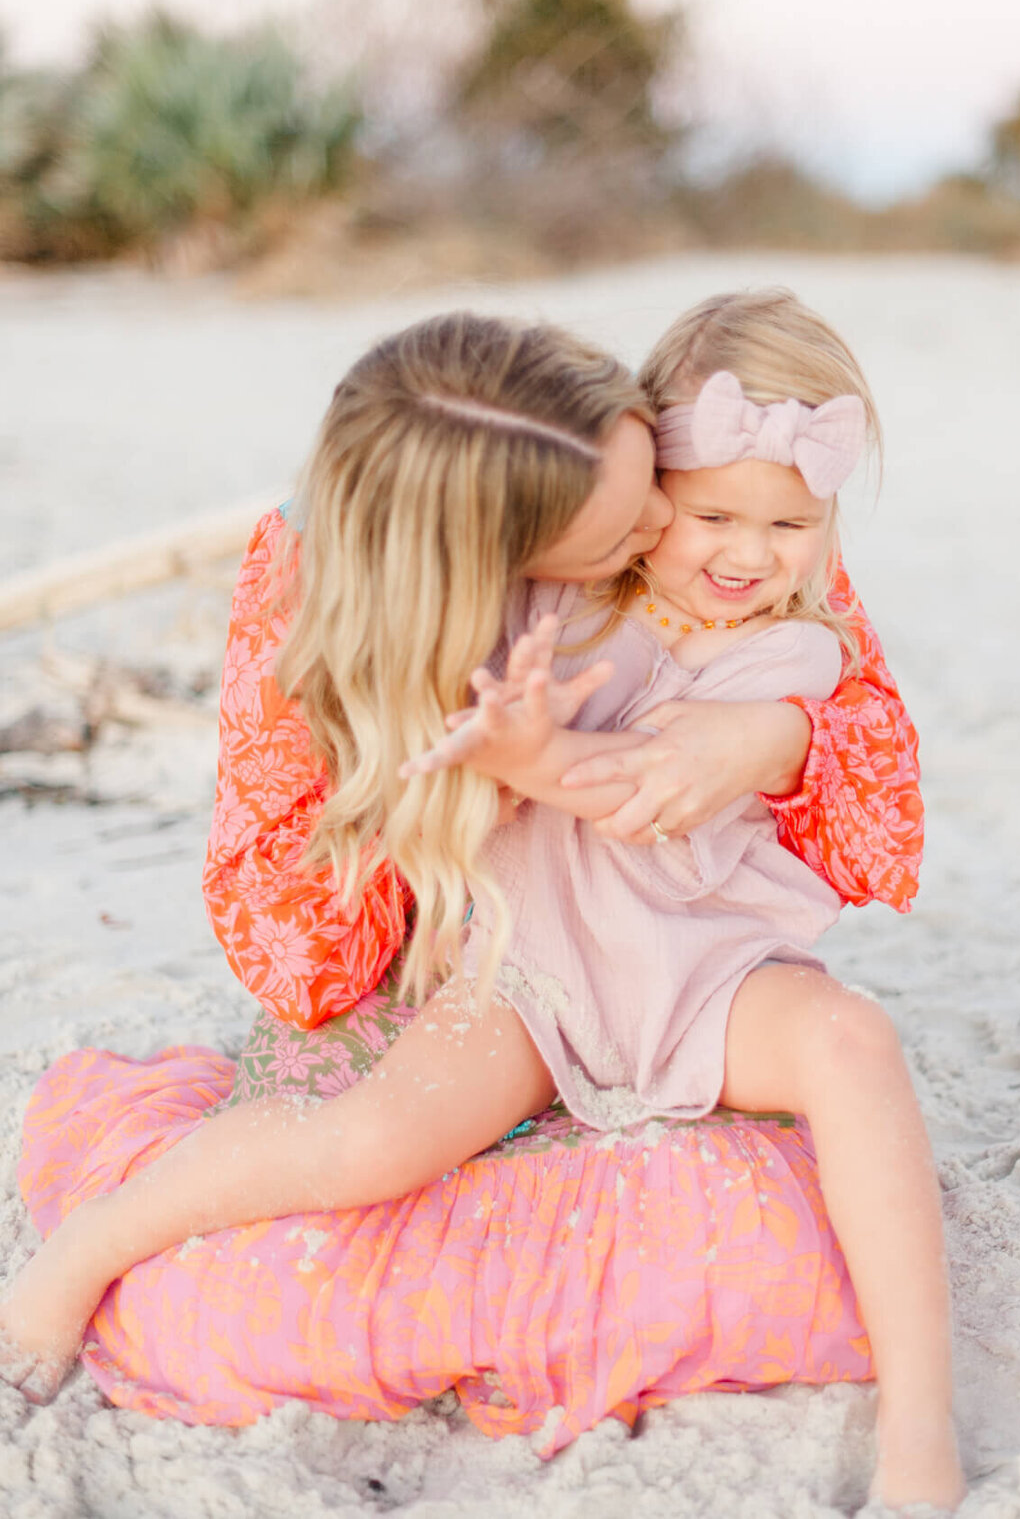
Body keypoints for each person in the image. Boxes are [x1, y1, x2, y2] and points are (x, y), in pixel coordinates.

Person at [1, 296, 960, 1512]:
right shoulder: (550, 598)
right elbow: (430, 748)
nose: (724, 542)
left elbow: (635, 788)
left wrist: (645, 749)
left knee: (852, 1041)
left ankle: (921, 1420)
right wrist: (500, 751)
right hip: (534, 968)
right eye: (696, 509)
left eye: (788, 523)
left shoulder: (788, 641)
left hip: (699, 968)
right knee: (373, 1139)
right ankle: (83, 1253)